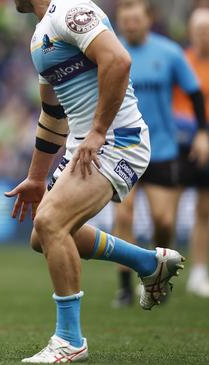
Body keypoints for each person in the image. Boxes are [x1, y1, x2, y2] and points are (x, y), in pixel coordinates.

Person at [6, 0, 185, 362]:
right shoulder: (39, 36)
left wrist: (99, 130)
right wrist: (36, 176)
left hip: (118, 140)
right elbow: (54, 112)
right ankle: (148, 263)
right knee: (42, 237)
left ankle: (70, 340)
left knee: (51, 221)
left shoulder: (71, 10)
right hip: (85, 146)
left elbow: (118, 60)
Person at [110, 0, 209, 307]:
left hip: (162, 149)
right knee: (123, 215)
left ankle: (157, 277)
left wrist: (203, 133)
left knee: (163, 221)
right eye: (125, 19)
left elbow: (194, 93)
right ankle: (125, 286)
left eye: (135, 18)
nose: (130, 24)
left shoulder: (169, 53)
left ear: (148, 19)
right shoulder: (111, 52)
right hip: (123, 148)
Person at [173, 7, 209, 297]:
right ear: (191, 31)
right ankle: (161, 268)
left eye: (207, 31)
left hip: (206, 142)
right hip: (177, 143)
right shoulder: (180, 61)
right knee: (166, 210)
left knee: (204, 210)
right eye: (199, 30)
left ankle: (198, 272)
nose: (203, 36)